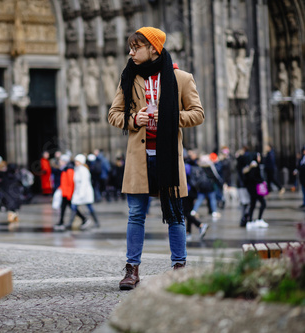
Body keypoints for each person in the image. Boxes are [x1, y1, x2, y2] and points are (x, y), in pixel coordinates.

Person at [108, 27, 204, 290]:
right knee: (136, 214)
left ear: (153, 48)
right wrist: (133, 120)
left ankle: (179, 268)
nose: (130, 52)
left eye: (135, 47)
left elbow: (198, 114)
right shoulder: (129, 77)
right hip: (139, 159)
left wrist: (172, 118)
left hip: (168, 158)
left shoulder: (181, 78)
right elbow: (113, 114)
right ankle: (132, 270)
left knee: (175, 214)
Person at [69, 154, 99, 229]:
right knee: (74, 206)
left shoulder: (83, 170)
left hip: (84, 192)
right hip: (78, 191)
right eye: (76, 161)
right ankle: (78, 221)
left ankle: (95, 222)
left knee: (89, 206)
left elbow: (84, 183)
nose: (76, 163)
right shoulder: (77, 169)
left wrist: (81, 194)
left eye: (77, 161)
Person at [190, 154, 223, 221]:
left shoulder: (199, 167)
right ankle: (214, 212)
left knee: (200, 199)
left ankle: (193, 211)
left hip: (202, 186)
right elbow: (215, 176)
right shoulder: (209, 167)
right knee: (212, 199)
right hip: (209, 186)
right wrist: (220, 183)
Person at [184, 160, 209, 241]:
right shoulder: (193, 167)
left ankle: (200, 225)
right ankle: (188, 233)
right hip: (194, 191)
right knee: (188, 212)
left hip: (187, 191)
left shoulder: (185, 167)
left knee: (185, 213)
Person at [244, 152, 269, 228]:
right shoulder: (254, 165)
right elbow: (252, 177)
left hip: (252, 189)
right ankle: (259, 219)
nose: (259, 158)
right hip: (255, 189)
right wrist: (261, 181)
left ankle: (250, 221)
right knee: (263, 203)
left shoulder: (252, 165)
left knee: (253, 204)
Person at [0, 163, 24, 230]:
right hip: (14, 194)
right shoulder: (16, 175)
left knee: (11, 206)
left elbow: (3, 184)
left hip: (10, 194)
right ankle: (14, 216)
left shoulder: (6, 175)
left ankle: (12, 216)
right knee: (14, 206)